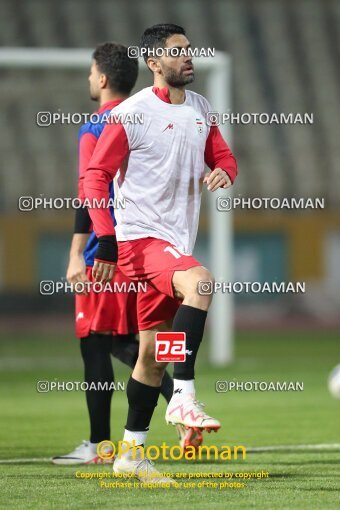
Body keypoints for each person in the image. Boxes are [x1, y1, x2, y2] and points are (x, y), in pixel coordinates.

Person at [83, 25, 237, 480]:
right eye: (178, 52)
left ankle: (131, 453)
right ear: (154, 63)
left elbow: (224, 157)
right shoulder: (131, 114)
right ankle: (185, 397)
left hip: (173, 243)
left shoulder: (201, 109)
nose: (189, 58)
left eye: (190, 51)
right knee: (202, 282)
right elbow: (95, 177)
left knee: (152, 353)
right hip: (139, 242)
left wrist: (225, 172)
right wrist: (106, 238)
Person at [52, 42, 202, 465]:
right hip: (161, 246)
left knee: (99, 343)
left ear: (101, 79)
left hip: (112, 253)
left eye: (89, 73)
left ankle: (100, 445)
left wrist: (78, 253)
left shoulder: (99, 125)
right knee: (146, 338)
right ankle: (180, 408)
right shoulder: (157, 114)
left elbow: (89, 191)